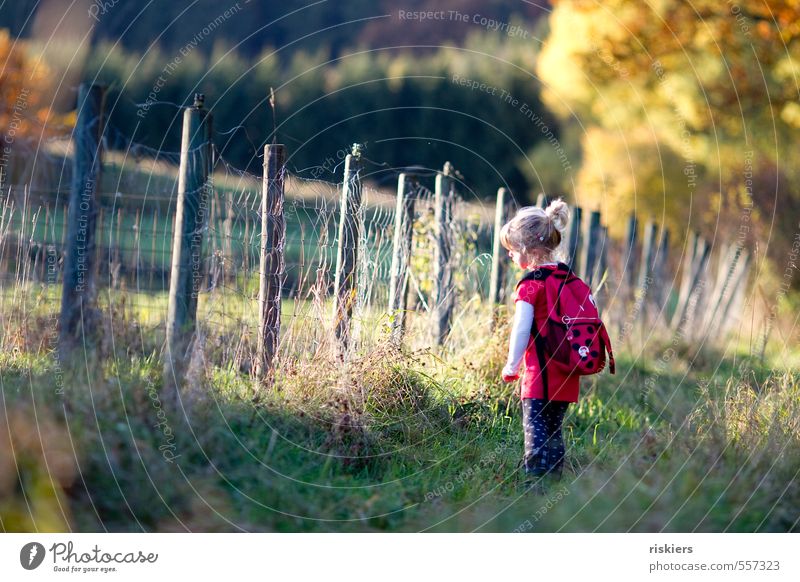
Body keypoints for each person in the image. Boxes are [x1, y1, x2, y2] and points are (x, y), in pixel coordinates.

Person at [500, 198, 576, 482]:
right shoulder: (567, 277)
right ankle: (554, 481)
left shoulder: (531, 284)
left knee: (534, 426)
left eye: (511, 250)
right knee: (554, 428)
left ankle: (534, 483)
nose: (509, 256)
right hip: (568, 370)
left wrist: (512, 365)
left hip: (539, 372)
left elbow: (521, 329)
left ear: (527, 250)